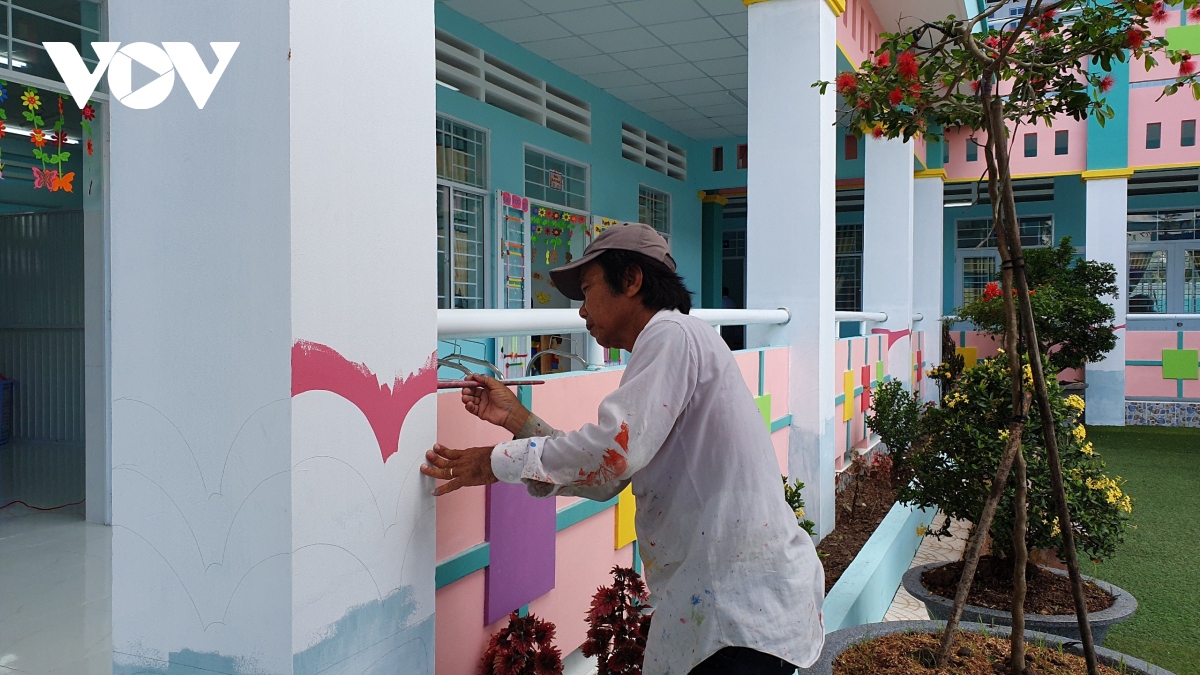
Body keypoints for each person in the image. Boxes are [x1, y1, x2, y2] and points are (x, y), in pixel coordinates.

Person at [420, 224, 824, 675]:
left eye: (588, 290)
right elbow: (609, 475)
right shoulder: (676, 343)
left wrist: (492, 462)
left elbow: (612, 454)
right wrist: (517, 419)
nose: (581, 312)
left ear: (631, 281)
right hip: (734, 609)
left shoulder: (671, 334)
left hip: (738, 615)